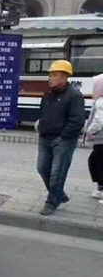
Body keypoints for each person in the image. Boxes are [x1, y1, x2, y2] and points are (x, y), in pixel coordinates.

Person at [36, 60, 85, 216]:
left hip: (63, 141)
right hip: (45, 138)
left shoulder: (74, 95)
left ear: (65, 77)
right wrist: (41, 127)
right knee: (42, 168)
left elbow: (77, 120)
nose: (50, 78)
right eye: (50, 75)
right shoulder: (48, 94)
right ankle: (59, 194)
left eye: (54, 75)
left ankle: (51, 202)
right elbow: (43, 113)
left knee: (57, 173)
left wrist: (63, 136)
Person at [85, 74, 103, 202]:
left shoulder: (101, 102)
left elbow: (99, 121)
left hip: (100, 139)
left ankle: (101, 188)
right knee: (95, 161)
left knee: (97, 162)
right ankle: (100, 187)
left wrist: (89, 131)